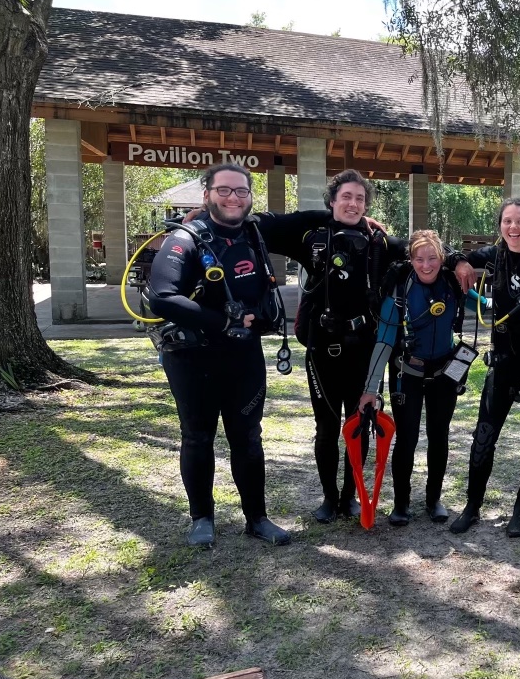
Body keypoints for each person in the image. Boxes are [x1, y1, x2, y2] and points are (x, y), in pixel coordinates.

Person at [254, 170, 474, 524]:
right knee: (325, 427)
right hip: (322, 349)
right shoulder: (312, 235)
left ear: (367, 205)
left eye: (360, 198)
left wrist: (457, 259)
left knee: (362, 421)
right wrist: (202, 218)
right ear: (332, 200)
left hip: (362, 348)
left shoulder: (379, 243)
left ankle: (350, 495)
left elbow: (422, 246)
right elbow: (261, 226)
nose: (353, 203)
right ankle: (329, 498)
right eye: (346, 197)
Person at [147, 163, 291, 547]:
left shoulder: (256, 233)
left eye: (241, 191)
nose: (233, 198)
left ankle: (257, 519)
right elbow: (161, 296)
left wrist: (360, 217)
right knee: (197, 437)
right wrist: (220, 321)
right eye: (224, 190)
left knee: (248, 438)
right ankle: (201, 518)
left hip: (243, 357)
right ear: (207, 193)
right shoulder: (187, 239)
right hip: (193, 359)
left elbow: (308, 219)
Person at [449, 198, 520, 537]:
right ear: (500, 225)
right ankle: (472, 505)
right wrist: (460, 263)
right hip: (503, 359)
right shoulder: (492, 256)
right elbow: (449, 255)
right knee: (483, 435)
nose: (514, 228)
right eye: (507, 221)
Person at [358, 230, 467, 524]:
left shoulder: (453, 285)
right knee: (406, 438)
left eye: (432, 258)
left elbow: (487, 306)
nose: (426, 265)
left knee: (439, 436)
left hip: (445, 373)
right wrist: (370, 389)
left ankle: (433, 501)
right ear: (411, 259)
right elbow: (383, 342)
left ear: (442, 259)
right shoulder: (399, 291)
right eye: (419, 259)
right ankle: (401, 504)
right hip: (408, 372)